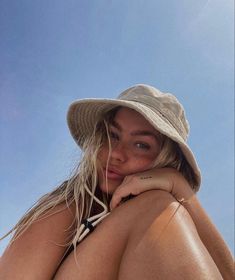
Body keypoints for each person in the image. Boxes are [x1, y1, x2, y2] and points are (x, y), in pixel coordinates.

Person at [0, 84, 233, 279]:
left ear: (165, 161)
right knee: (157, 207)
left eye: (141, 145)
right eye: (112, 136)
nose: (116, 153)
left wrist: (178, 185)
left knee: (162, 208)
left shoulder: (162, 219)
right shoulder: (70, 205)